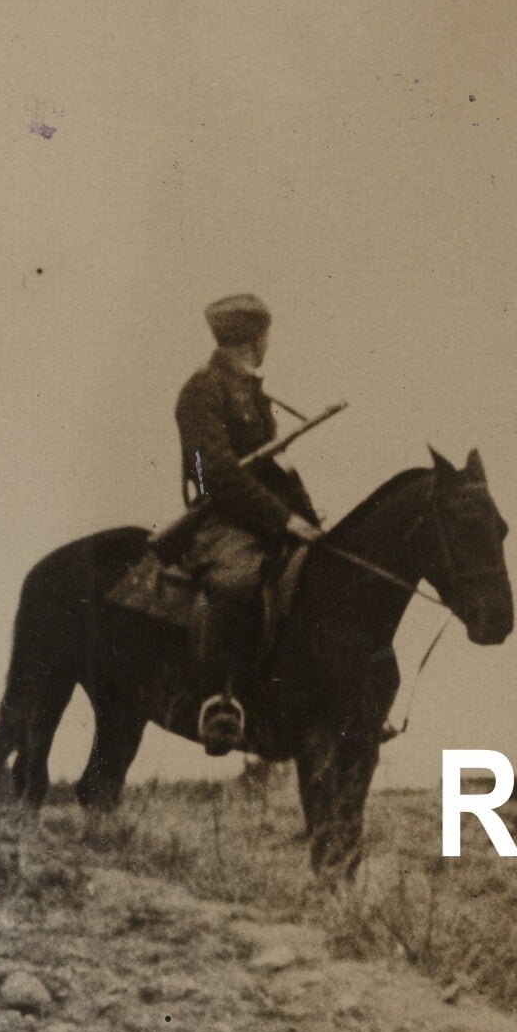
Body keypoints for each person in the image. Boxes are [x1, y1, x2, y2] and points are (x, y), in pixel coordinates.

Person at [174, 294, 323, 755]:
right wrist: (283, 520)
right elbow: (211, 474)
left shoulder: (254, 395)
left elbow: (278, 470)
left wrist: (309, 521)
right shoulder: (201, 391)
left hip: (262, 517)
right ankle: (221, 702)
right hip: (220, 520)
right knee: (238, 584)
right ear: (256, 339)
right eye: (266, 336)